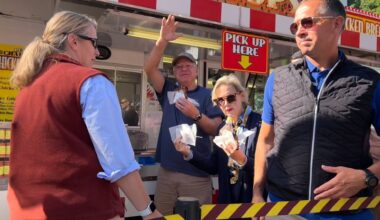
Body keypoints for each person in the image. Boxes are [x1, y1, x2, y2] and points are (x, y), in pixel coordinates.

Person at [8, 11, 161, 220]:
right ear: (74, 41)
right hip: (83, 210)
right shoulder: (91, 82)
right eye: (94, 42)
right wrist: (148, 211)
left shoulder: (27, 87)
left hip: (26, 212)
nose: (97, 52)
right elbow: (118, 160)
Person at [252, 0, 380, 219]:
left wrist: (366, 176)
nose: (300, 31)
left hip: (347, 213)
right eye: (295, 26)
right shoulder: (278, 79)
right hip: (284, 209)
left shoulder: (369, 82)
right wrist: (256, 194)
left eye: (307, 22)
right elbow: (265, 141)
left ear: (337, 24)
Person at [144, 15, 223, 215]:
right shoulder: (168, 88)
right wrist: (162, 41)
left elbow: (215, 129)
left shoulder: (208, 95)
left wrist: (195, 114)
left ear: (196, 70)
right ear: (174, 71)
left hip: (196, 175)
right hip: (167, 173)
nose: (184, 69)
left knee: (194, 216)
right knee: (162, 215)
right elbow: (149, 68)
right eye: (179, 66)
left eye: (188, 66)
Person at [174, 74, 261, 203]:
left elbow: (268, 168)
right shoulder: (223, 128)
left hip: (253, 202)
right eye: (219, 101)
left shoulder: (260, 124)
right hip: (228, 203)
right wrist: (188, 153)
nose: (225, 104)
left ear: (242, 95)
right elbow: (214, 166)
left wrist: (241, 159)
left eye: (230, 98)